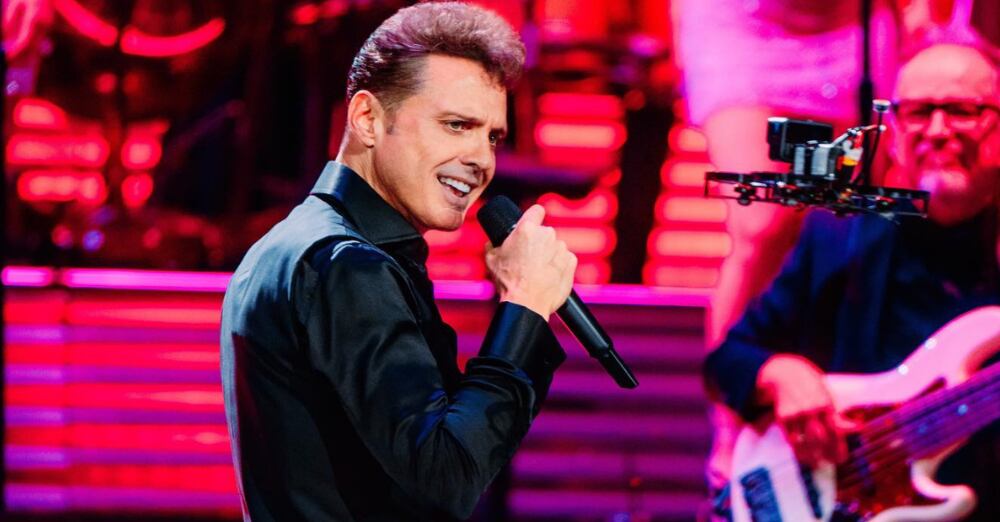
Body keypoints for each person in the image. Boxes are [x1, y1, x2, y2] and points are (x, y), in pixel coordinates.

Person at [219, 3, 577, 521]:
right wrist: (523, 306)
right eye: (456, 125)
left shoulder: (296, 245)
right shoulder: (346, 266)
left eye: (492, 137)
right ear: (368, 118)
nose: (482, 159)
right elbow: (446, 477)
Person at [703, 41, 1000, 520]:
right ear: (895, 132)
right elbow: (728, 360)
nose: (938, 131)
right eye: (920, 112)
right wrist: (779, 374)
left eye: (963, 111)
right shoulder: (838, 239)